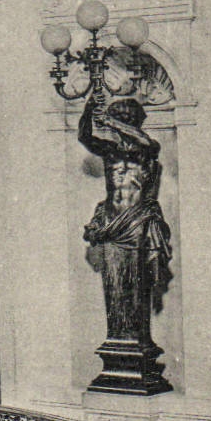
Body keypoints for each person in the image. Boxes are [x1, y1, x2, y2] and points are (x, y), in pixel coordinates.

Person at [78, 96, 172, 344]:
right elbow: (84, 137)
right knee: (115, 284)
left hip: (136, 221)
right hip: (111, 222)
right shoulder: (109, 152)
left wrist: (111, 121)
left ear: (131, 123)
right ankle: (117, 340)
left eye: (123, 121)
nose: (116, 128)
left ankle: (136, 341)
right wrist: (88, 109)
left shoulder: (146, 150)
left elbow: (145, 142)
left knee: (135, 285)